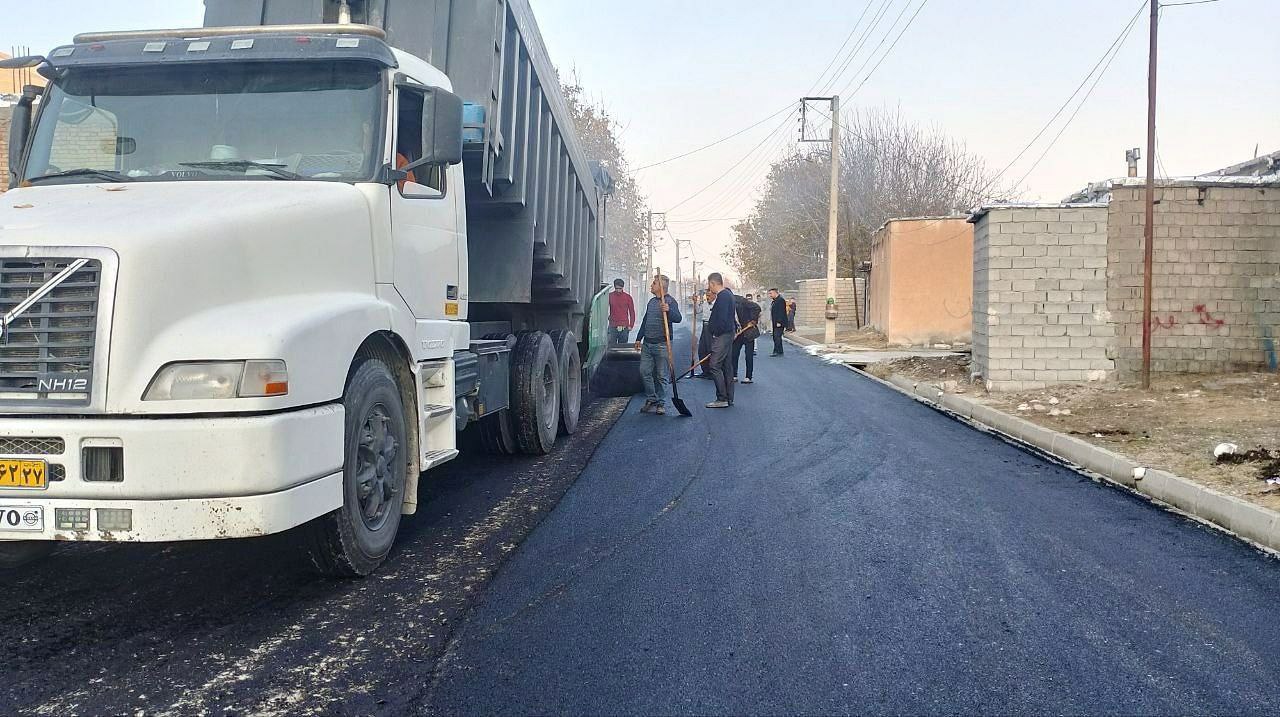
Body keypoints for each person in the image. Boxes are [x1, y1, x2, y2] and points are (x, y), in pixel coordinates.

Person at [634, 274, 682, 415]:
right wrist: (638, 338)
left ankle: (661, 403)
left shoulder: (670, 302)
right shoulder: (651, 302)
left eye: (654, 283)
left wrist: (668, 310)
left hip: (662, 344)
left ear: (661, 287)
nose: (651, 285)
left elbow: (678, 318)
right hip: (647, 344)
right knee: (644, 372)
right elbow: (645, 321)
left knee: (661, 376)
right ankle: (651, 398)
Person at [705, 273, 736, 409]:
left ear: (712, 283)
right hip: (728, 334)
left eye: (709, 284)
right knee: (726, 366)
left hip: (722, 335)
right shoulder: (728, 295)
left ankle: (722, 398)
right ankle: (729, 397)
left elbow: (722, 319)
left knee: (714, 365)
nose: (708, 287)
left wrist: (715, 333)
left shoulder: (723, 297)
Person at [733, 293, 762, 384]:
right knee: (734, 354)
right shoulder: (726, 305)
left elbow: (757, 307)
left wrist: (753, 320)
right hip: (738, 333)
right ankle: (734, 375)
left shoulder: (741, 301)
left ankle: (748, 377)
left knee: (748, 355)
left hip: (748, 331)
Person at [607, 279, 635, 345]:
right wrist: (609, 317)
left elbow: (632, 312)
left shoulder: (628, 297)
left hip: (624, 327)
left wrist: (631, 325)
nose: (618, 290)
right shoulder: (610, 296)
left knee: (623, 348)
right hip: (612, 326)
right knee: (610, 348)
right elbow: (604, 308)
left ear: (623, 287)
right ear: (614, 287)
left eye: (620, 288)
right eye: (616, 288)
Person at [696, 287, 715, 379]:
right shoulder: (704, 304)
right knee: (702, 349)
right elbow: (697, 311)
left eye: (709, 295)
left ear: (714, 295)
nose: (708, 297)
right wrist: (695, 302)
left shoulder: (717, 304)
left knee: (710, 349)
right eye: (706, 295)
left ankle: (712, 372)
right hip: (705, 326)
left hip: (712, 327)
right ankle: (705, 371)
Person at [769, 288, 787, 356]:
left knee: (776, 336)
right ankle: (780, 350)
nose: (770, 295)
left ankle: (776, 351)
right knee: (776, 336)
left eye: (771, 293)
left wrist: (779, 321)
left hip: (779, 322)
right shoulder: (775, 301)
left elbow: (781, 312)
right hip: (775, 322)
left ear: (775, 293)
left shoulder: (780, 300)